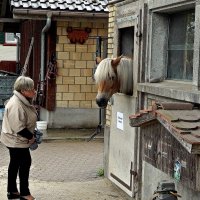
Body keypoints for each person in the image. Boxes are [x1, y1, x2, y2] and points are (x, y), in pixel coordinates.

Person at [0, 76, 37, 200]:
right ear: (23, 91)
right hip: (16, 140)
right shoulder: (16, 104)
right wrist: (31, 137)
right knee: (25, 163)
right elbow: (19, 128)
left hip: (14, 139)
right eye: (31, 89)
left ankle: (12, 191)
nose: (34, 90)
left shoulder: (22, 100)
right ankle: (24, 193)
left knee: (15, 163)